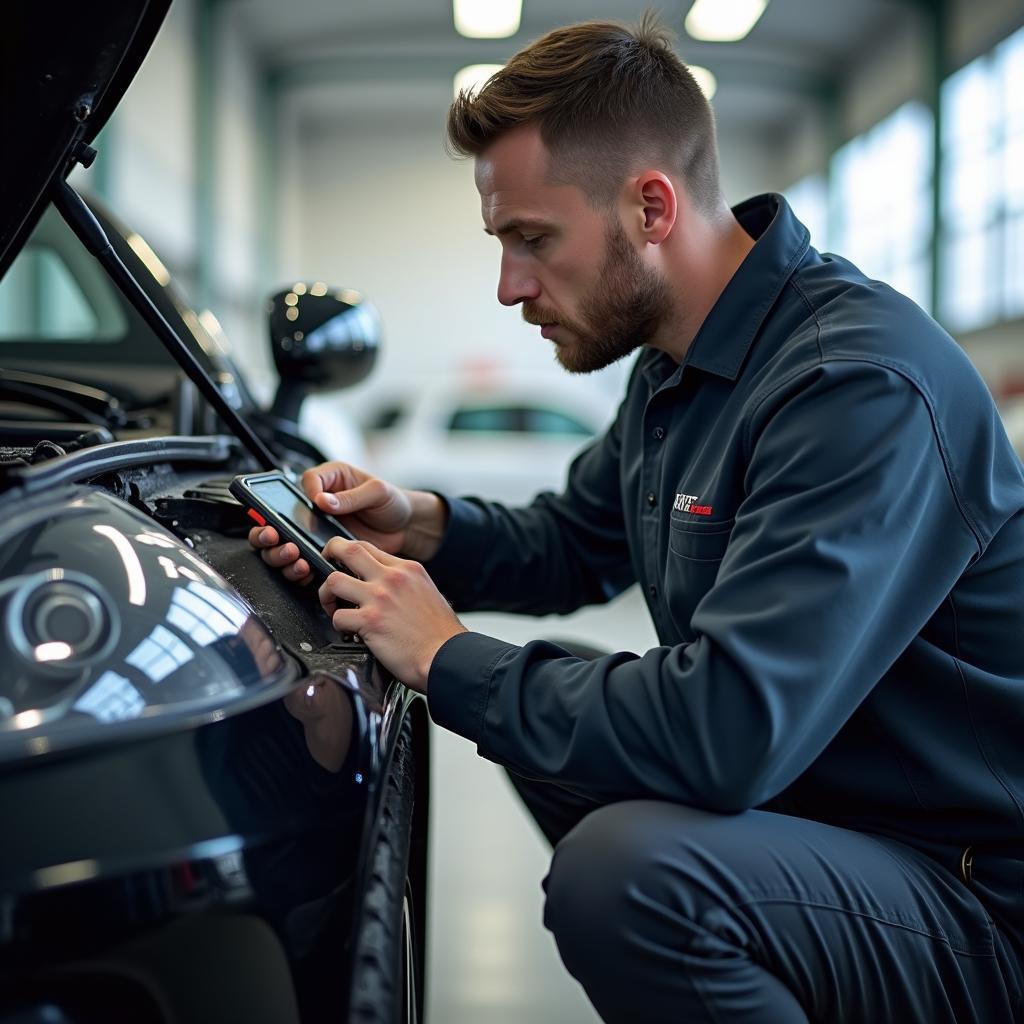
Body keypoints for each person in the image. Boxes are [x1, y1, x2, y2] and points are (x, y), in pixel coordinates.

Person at [251, 13, 1024, 1023]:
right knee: (552, 730)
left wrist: (447, 657)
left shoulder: (855, 383)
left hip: (970, 888)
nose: (508, 286)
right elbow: (573, 540)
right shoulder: (674, 367)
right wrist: (418, 525)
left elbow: (728, 731)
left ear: (650, 206)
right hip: (831, 823)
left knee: (631, 875)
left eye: (532, 240)